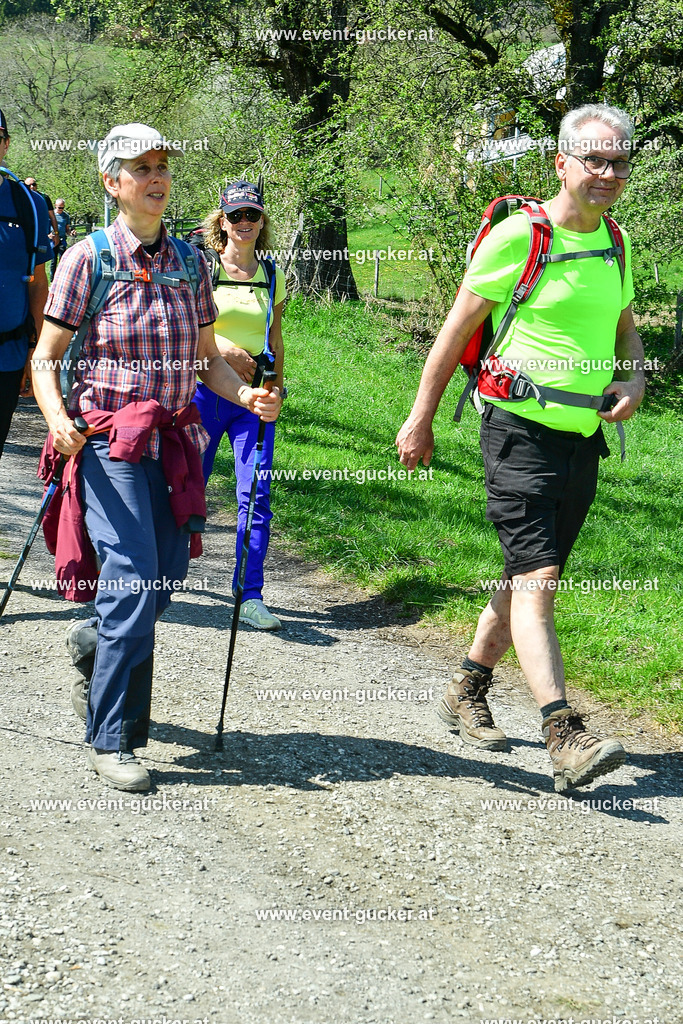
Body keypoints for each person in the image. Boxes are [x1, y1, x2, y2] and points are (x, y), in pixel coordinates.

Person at [396, 104, 645, 793]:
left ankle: (466, 687)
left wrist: (632, 377)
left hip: (581, 439)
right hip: (515, 433)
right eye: (593, 158)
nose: (606, 172)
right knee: (538, 584)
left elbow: (626, 330)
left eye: (618, 160)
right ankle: (562, 735)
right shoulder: (517, 236)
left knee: (525, 576)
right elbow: (452, 335)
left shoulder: (616, 242)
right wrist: (419, 419)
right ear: (560, 163)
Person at [31, 124, 282, 792]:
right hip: (108, 444)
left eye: (163, 166)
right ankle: (113, 740)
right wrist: (58, 420)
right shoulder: (88, 259)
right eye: (140, 167)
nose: (156, 177)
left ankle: (93, 640)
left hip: (174, 442)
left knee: (163, 576)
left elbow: (206, 362)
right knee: (135, 579)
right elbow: (46, 358)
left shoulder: (191, 263)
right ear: (113, 183)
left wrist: (247, 395)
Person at [194, 181, 286, 631]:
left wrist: (278, 391)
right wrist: (224, 348)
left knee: (256, 495)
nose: (244, 223)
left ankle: (249, 593)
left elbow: (275, 338)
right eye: (235, 216)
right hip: (206, 393)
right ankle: (159, 578)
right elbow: (187, 328)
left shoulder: (272, 271)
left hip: (255, 399)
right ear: (222, 221)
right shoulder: (203, 267)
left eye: (252, 214)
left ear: (261, 219)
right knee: (189, 487)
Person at [0, 108, 51, 458]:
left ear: (5, 145)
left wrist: (37, 354)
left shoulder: (28, 205)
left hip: (9, 355)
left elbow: (37, 285)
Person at [25, 176, 59, 250]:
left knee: (42, 256)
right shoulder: (22, 199)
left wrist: (56, 233)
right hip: (27, 234)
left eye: (33, 184)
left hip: (43, 234)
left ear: (36, 185)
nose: (31, 187)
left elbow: (52, 217)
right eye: (28, 185)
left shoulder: (44, 198)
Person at [50, 198, 77, 278]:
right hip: (53, 239)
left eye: (62, 208)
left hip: (62, 239)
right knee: (53, 260)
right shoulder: (51, 215)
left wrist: (71, 233)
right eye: (59, 207)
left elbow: (67, 229)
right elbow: (46, 227)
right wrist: (49, 235)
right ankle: (52, 279)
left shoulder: (66, 216)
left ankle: (61, 276)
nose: (61, 209)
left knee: (63, 259)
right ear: (55, 206)